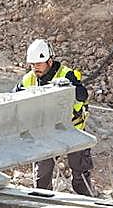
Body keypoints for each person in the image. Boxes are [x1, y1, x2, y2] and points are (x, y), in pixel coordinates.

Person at [16, 38, 95, 196]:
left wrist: (66, 86)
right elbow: (14, 99)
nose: (35, 68)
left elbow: (82, 95)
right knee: (42, 177)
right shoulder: (29, 79)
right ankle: (43, 207)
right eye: (32, 65)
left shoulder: (67, 74)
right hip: (47, 133)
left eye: (38, 64)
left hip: (73, 130)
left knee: (80, 175)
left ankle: (89, 203)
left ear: (49, 62)